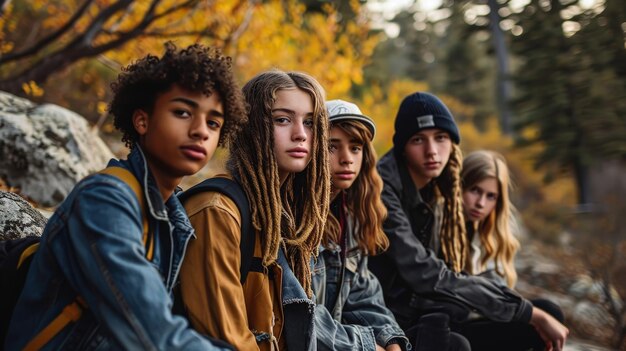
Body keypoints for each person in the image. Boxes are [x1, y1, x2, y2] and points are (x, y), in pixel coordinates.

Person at [5, 42, 247, 350]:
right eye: (183, 112)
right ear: (142, 120)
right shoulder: (104, 200)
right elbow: (154, 333)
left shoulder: (173, 218)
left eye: (214, 122)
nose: (201, 131)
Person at [369, 91, 569, 351]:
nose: (432, 151)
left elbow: (449, 273)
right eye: (419, 140)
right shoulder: (382, 190)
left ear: (452, 143)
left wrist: (525, 310)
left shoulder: (439, 187)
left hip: (429, 308)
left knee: (547, 311)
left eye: (440, 138)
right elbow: (426, 274)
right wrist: (526, 311)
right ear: (403, 148)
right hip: (394, 319)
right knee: (462, 342)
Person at [178, 70, 330, 351]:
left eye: (309, 123)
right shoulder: (216, 210)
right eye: (282, 120)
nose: (300, 134)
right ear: (250, 127)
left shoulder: (284, 216)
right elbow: (227, 340)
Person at [312, 100, 409, 351]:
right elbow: (301, 316)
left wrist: (392, 341)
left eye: (355, 148)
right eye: (333, 146)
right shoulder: (296, 220)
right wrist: (368, 347)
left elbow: (364, 297)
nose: (347, 159)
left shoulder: (352, 216)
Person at [458, 150, 566, 350]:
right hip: (451, 326)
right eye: (475, 190)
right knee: (541, 314)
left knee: (549, 311)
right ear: (460, 186)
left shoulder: (494, 234)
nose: (481, 203)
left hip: (481, 321)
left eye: (491, 196)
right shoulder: (443, 226)